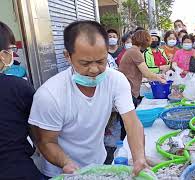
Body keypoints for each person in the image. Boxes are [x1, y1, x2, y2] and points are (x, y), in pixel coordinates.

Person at [29, 21, 147, 178]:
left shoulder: (116, 79)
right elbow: (46, 141)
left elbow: (132, 122)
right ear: (68, 56)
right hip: (61, 172)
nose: (94, 69)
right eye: (85, 63)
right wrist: (66, 164)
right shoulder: (50, 94)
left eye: (101, 61)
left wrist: (139, 157)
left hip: (98, 163)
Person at [0, 21, 42, 180]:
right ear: (3, 55)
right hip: (17, 171)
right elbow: (39, 133)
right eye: (11, 49)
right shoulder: (18, 87)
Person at [120, 30, 166, 100]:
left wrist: (158, 75)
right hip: (129, 91)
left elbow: (142, 72)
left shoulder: (132, 51)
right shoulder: (135, 52)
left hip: (128, 89)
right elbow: (147, 73)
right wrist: (160, 80)